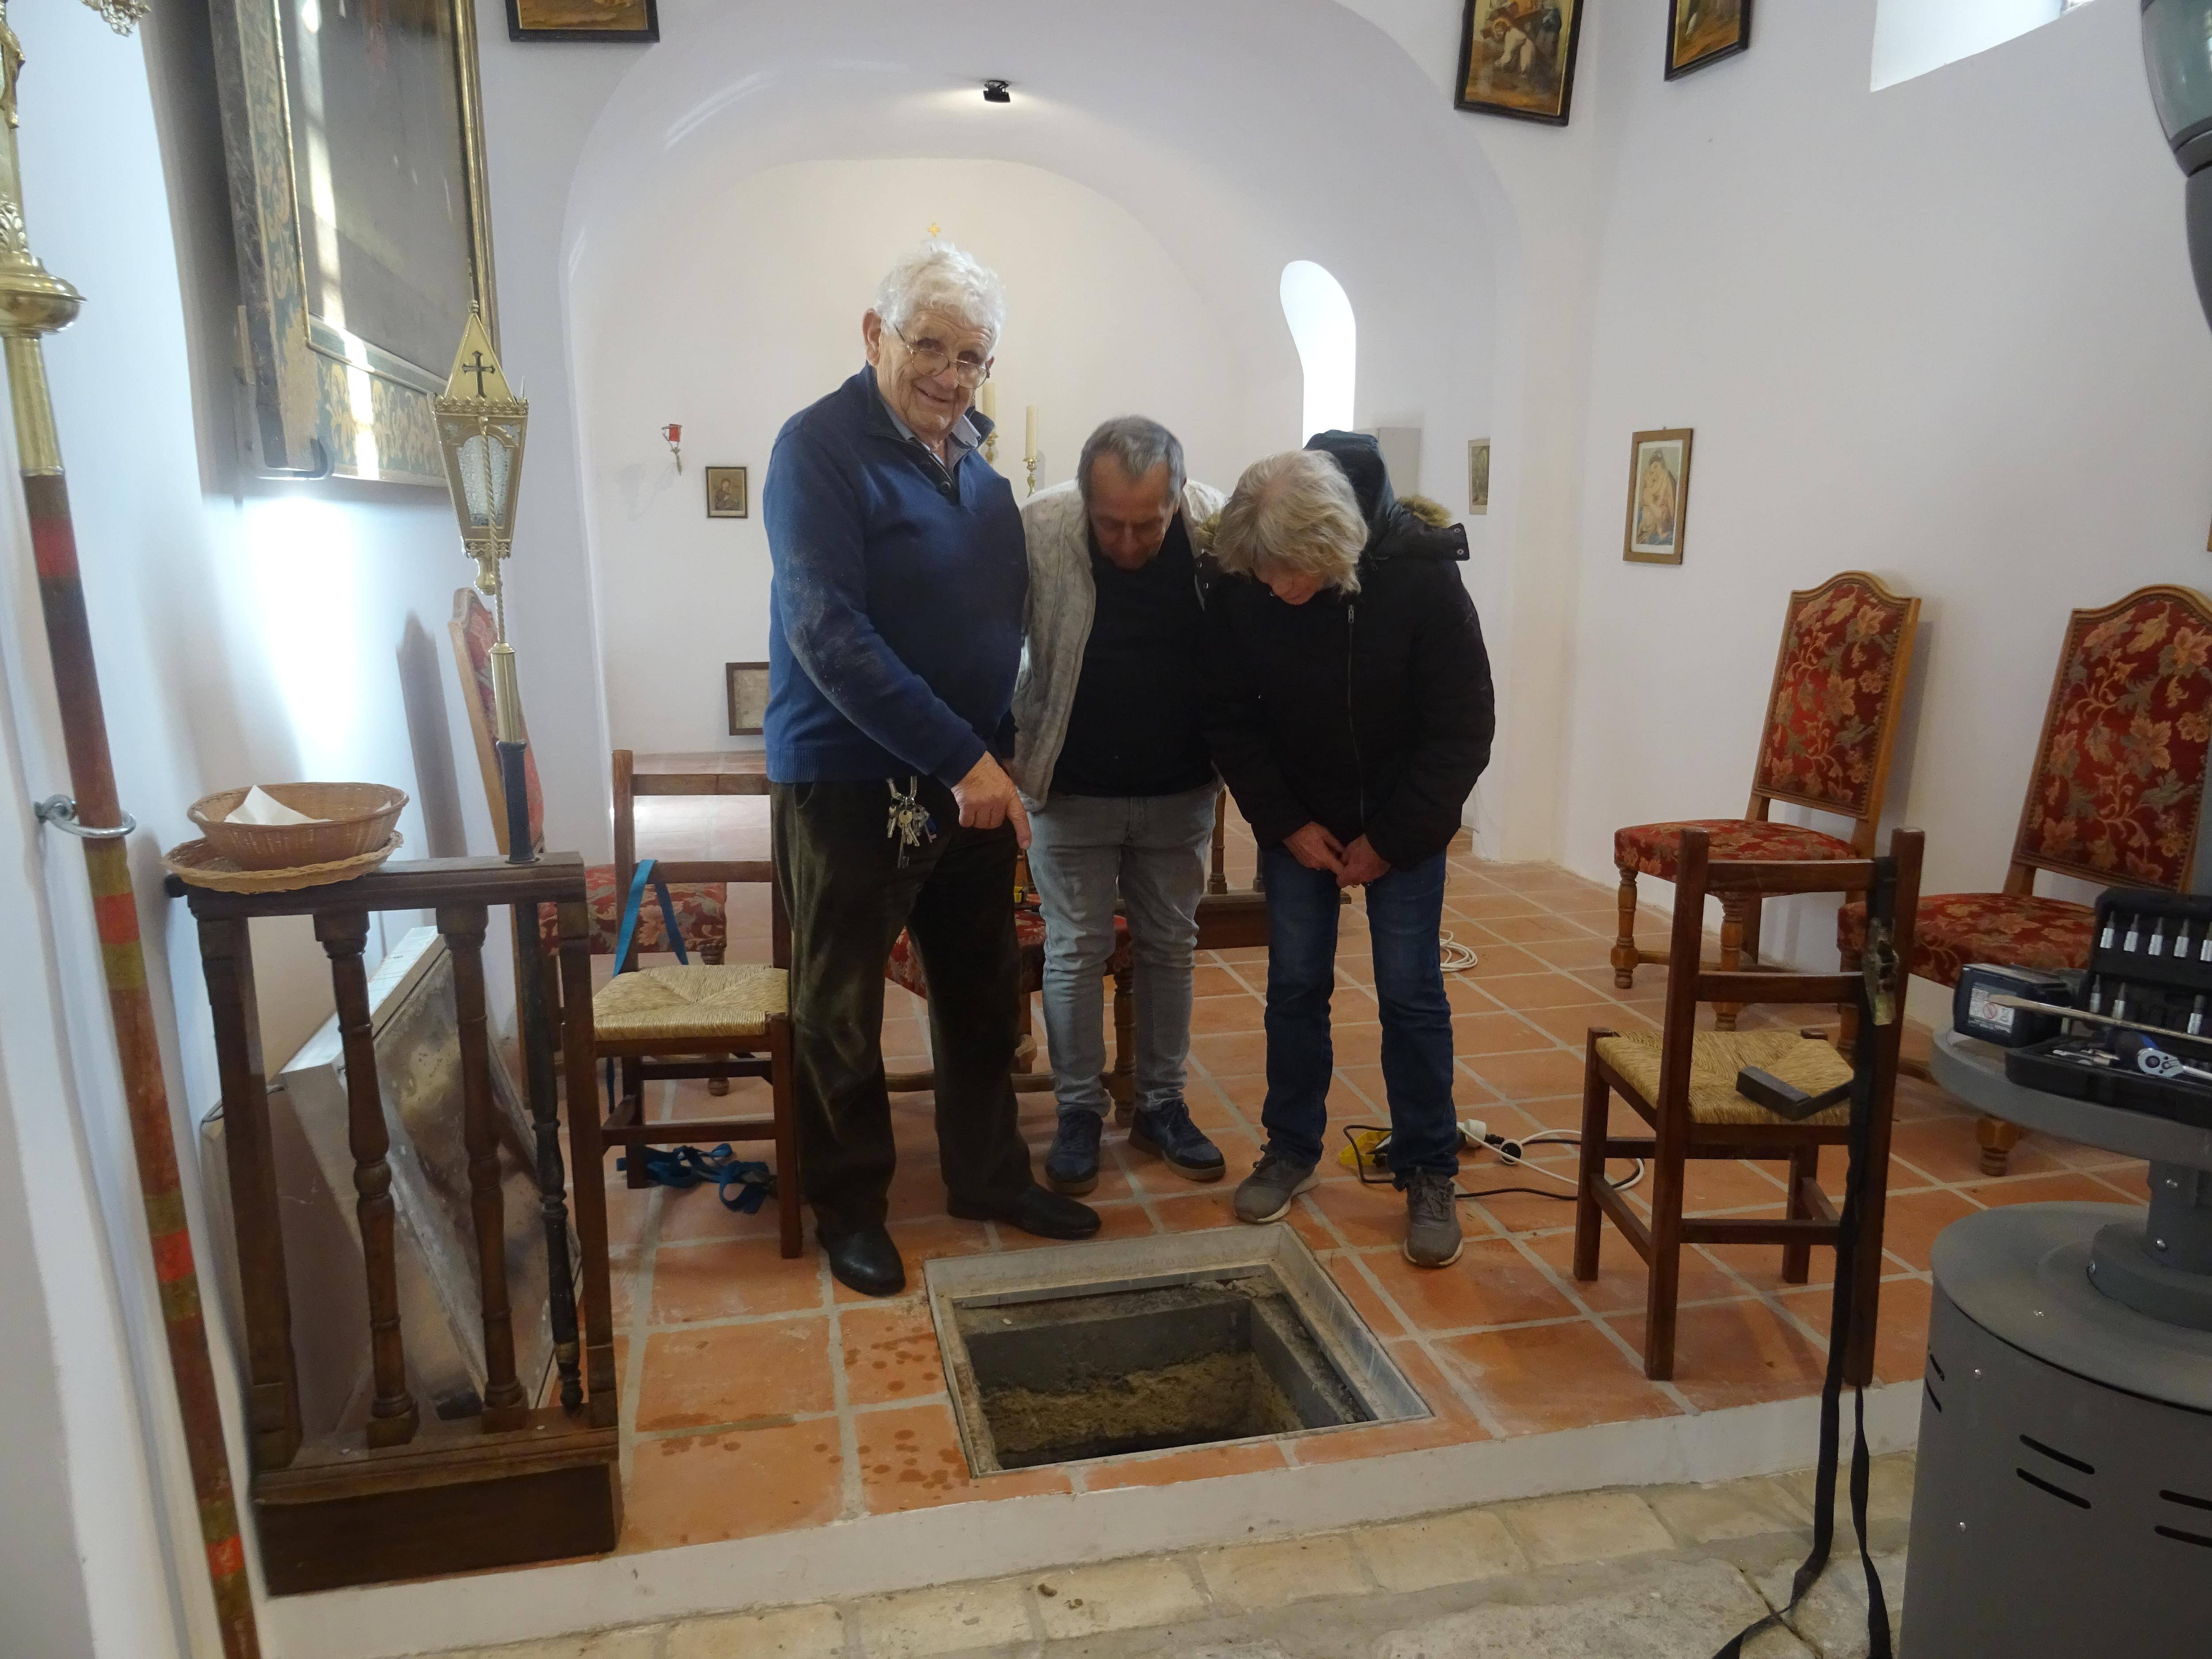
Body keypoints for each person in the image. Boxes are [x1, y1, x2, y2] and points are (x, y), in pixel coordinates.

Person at [764, 243, 1099, 1298]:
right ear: (875, 335)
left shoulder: (984, 477)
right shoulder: (817, 449)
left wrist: (996, 755)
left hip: (970, 782)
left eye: (974, 357)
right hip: (850, 775)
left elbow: (999, 634)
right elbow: (827, 631)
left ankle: (988, 1176)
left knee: (979, 988)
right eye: (931, 348)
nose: (953, 377)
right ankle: (851, 1205)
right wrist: (964, 757)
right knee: (840, 1000)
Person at [1203, 435, 1495, 1268]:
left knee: (1409, 991)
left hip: (1402, 818)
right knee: (1295, 983)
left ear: (1330, 556)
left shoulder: (1420, 573)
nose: (1269, 589)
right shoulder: (1245, 574)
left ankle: (1429, 1165)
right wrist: (1285, 821)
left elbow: (1464, 723)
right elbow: (1227, 714)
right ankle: (1291, 1147)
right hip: (1299, 820)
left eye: (1284, 576)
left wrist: (1395, 839)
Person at [1013, 418, 1229, 1197]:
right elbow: (1000, 642)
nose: (1130, 544)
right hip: (1071, 786)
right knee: (1075, 948)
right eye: (1111, 524)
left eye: (1148, 524)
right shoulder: (1041, 525)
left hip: (1179, 785)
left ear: (1177, 497)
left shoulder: (1219, 528)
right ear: (1084, 497)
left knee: (1171, 945)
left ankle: (1161, 1104)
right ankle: (1077, 1110)